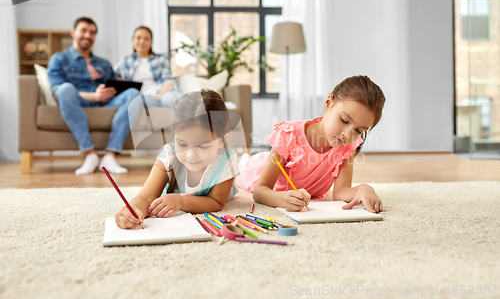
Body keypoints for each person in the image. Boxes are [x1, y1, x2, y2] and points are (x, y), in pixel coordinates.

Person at [235, 75, 386, 213]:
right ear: (328, 103)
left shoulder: (347, 145)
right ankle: (244, 159)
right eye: (344, 121)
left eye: (359, 130)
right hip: (255, 171)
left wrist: (362, 189)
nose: (347, 134)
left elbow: (340, 192)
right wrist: (282, 199)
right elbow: (260, 191)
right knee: (240, 169)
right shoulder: (289, 134)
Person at [115, 89, 240, 229]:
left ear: (222, 140)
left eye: (203, 146)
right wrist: (133, 209)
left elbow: (216, 202)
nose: (191, 155)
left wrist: (182, 201)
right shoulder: (169, 155)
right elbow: (145, 197)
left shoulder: (227, 159)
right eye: (182, 144)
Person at [48, 17, 140, 175]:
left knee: (134, 93)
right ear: (73, 32)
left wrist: (111, 91)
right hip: (80, 101)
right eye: (83, 30)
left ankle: (110, 156)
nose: (88, 35)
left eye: (92, 32)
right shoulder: (59, 59)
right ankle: (90, 154)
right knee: (65, 89)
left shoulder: (103, 62)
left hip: (106, 102)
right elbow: (57, 91)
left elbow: (114, 87)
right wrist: (93, 96)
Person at [113, 26, 182, 108]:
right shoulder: (126, 60)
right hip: (140, 97)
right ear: (133, 40)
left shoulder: (162, 59)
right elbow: (112, 75)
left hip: (162, 94)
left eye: (146, 39)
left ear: (151, 42)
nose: (142, 41)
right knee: (131, 100)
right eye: (138, 38)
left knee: (169, 99)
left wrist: (159, 96)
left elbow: (167, 81)